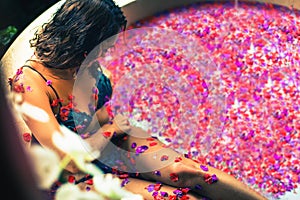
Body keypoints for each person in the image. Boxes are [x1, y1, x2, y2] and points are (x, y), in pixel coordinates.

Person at [8, 0, 268, 199]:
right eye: (105, 45)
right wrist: (112, 128)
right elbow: (72, 160)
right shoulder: (30, 83)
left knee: (193, 174)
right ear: (80, 41)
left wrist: (112, 125)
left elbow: (101, 114)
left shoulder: (85, 62)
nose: (108, 52)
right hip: (76, 175)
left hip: (109, 141)